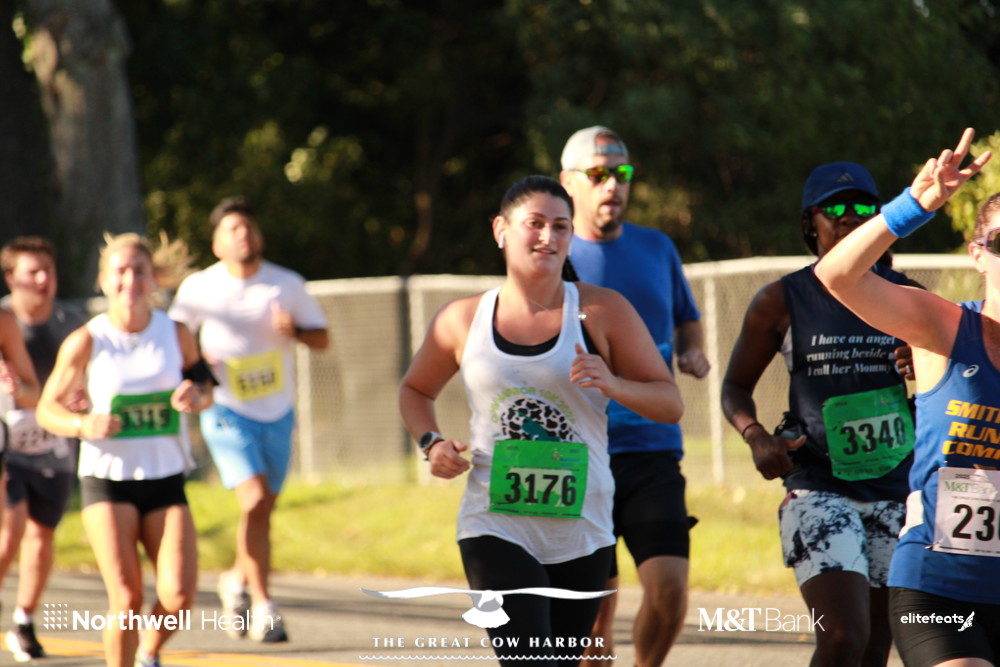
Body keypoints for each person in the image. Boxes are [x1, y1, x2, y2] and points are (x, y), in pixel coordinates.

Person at [398, 175, 683, 666]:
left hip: (583, 527)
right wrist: (431, 442)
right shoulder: (462, 319)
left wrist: (615, 385)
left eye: (561, 226)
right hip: (494, 523)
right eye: (534, 223)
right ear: (501, 230)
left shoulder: (602, 311)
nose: (548, 237)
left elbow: (669, 402)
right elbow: (415, 390)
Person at [721, 160, 926, 665]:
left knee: (875, 648)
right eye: (834, 208)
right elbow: (735, 387)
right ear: (810, 222)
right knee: (841, 636)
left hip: (895, 489)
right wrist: (756, 435)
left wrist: (924, 364)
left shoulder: (909, 296)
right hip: (818, 486)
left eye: (863, 206)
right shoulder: (781, 300)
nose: (849, 216)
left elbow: (952, 381)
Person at [815, 129, 998, 667]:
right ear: (978, 255)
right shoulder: (944, 326)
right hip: (939, 588)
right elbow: (837, 276)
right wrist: (913, 207)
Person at [558, 126, 709, 666]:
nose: (612, 185)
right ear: (568, 182)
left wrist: (691, 351)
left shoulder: (657, 247)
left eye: (621, 173)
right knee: (592, 622)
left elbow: (687, 317)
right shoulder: (553, 252)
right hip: (578, 452)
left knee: (669, 592)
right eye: (598, 174)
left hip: (651, 447)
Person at [36, 233, 211, 667]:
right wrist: (82, 424)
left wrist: (195, 396)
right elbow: (46, 409)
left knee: (179, 595)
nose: (130, 280)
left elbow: (205, 386)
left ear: (153, 279)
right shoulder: (87, 340)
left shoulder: (175, 333)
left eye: (139, 271)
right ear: (103, 280)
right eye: (120, 271)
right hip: (108, 480)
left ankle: (148, 653)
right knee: (127, 597)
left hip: (165, 477)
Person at [167, 197, 329, 643]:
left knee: (261, 511)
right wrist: (200, 365)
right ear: (216, 244)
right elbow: (173, 338)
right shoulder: (200, 287)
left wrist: (294, 331)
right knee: (254, 500)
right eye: (233, 229)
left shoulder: (286, 284)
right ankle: (265, 606)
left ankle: (235, 580)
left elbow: (322, 338)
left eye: (249, 227)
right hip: (225, 409)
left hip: (277, 412)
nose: (244, 235)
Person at [0, 237, 86, 661]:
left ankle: (24, 621)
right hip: (7, 445)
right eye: (32, 271)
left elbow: (81, 381)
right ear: (10, 278)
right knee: (10, 530)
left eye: (47, 270)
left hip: (53, 443)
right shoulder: (4, 319)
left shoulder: (73, 324)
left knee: (41, 534)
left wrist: (82, 401)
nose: (42, 279)